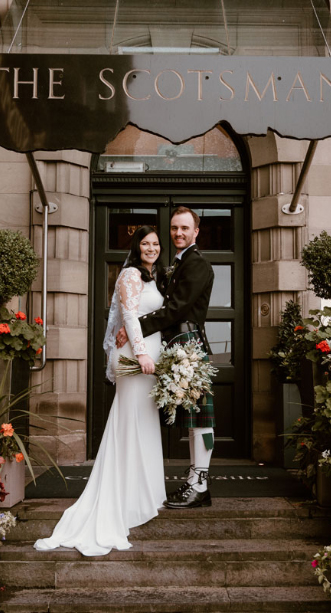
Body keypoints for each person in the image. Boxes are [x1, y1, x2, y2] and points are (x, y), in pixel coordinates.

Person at [34, 226, 166, 556]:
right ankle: (123, 497)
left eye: (155, 244)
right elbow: (131, 318)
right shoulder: (130, 276)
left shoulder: (155, 277)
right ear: (136, 247)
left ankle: (144, 494)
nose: (151, 248)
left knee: (145, 422)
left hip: (152, 355)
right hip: (138, 357)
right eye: (145, 244)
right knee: (129, 421)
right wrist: (142, 353)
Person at [118, 206, 216, 509]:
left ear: (196, 231)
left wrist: (137, 326)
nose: (178, 233)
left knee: (200, 417)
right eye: (174, 228)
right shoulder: (175, 263)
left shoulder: (197, 264)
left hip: (189, 344)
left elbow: (177, 309)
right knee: (191, 418)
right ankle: (194, 483)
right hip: (176, 343)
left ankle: (200, 483)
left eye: (185, 228)